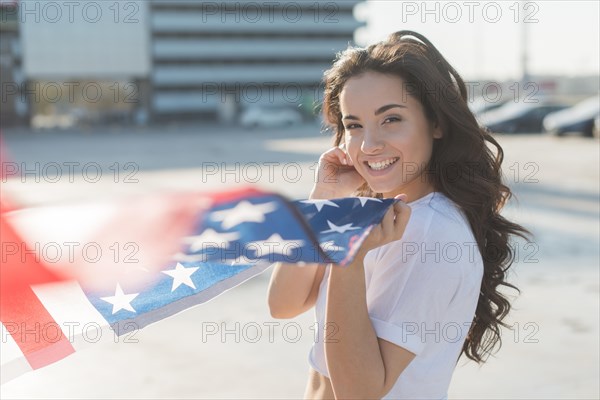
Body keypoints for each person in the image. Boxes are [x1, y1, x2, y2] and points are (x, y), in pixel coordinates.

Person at [267, 30, 531, 400]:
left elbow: (359, 392)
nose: (369, 145)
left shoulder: (428, 232)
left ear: (436, 123)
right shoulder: (382, 215)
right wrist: (322, 201)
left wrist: (349, 257)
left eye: (390, 119)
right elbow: (283, 304)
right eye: (354, 125)